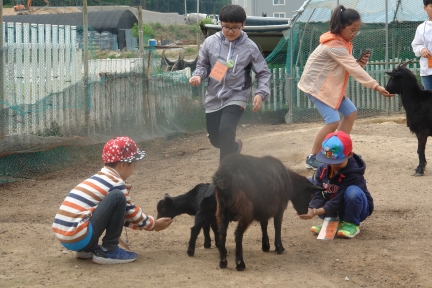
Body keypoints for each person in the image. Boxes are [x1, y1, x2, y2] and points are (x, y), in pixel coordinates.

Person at [298, 5, 394, 170]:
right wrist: (376, 86)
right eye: (352, 30)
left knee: (350, 112)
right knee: (333, 120)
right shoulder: (334, 45)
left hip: (330, 86)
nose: (354, 34)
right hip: (316, 87)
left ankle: (337, 149)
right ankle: (312, 157)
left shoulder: (343, 43)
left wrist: (358, 64)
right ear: (341, 27)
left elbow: (346, 68)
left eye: (357, 30)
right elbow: (353, 69)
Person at [52, 136, 172, 264]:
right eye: (134, 166)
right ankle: (108, 250)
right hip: (78, 236)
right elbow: (131, 212)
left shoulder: (98, 179)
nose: (133, 171)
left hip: (67, 237)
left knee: (112, 202)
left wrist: (140, 226)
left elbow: (119, 216)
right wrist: (154, 225)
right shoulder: (115, 183)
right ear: (123, 165)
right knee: (118, 196)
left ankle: (87, 250)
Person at [189, 4, 271, 162]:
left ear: (243, 25)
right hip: (214, 95)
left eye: (235, 27)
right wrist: (198, 76)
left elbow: (263, 72)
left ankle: (225, 175)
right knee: (215, 138)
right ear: (220, 24)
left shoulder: (250, 47)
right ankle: (233, 147)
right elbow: (203, 65)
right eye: (226, 27)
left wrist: (261, 94)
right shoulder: (210, 42)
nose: (231, 31)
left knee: (226, 130)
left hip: (237, 94)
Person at [297, 131, 373, 239]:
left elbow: (339, 199)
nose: (333, 165)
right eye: (329, 161)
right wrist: (312, 208)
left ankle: (351, 223)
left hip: (356, 208)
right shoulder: (322, 169)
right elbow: (319, 192)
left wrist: (317, 211)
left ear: (349, 155)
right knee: (309, 184)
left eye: (338, 161)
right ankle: (330, 220)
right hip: (333, 207)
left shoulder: (354, 174)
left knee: (352, 192)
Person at [412, 0, 432, 90]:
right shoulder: (421, 28)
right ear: (425, 7)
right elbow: (416, 45)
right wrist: (422, 49)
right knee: (429, 99)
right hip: (427, 70)